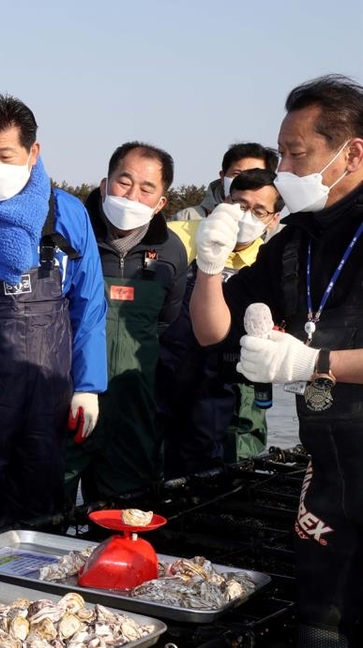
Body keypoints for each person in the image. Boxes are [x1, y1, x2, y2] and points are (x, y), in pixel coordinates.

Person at [190, 74, 363, 646]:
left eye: (297, 154)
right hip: (330, 472)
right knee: (318, 626)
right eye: (281, 152)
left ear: (351, 153)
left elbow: (312, 361)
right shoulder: (295, 239)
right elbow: (212, 331)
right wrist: (211, 264)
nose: (283, 168)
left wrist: (316, 363)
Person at [0, 94, 107, 533]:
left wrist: (88, 385)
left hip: (47, 390)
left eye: (6, 155)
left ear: (33, 153)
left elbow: (89, 302)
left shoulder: (68, 213)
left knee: (40, 511)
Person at [64, 143, 187, 503]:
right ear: (105, 184)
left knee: (123, 526)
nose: (132, 195)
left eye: (147, 189)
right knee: (45, 520)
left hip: (131, 418)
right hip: (65, 409)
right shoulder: (67, 238)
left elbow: (167, 327)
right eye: (124, 182)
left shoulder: (172, 252)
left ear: (161, 202)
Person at [159, 169, 283, 477]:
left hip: (227, 383)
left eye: (259, 211)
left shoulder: (270, 263)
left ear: (272, 218)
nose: (247, 217)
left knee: (210, 466)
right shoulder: (183, 243)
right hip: (167, 374)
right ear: (224, 202)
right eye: (240, 206)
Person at [172, 142, 278, 221]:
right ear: (222, 177)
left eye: (256, 176)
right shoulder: (187, 218)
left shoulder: (279, 233)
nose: (244, 180)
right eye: (237, 174)